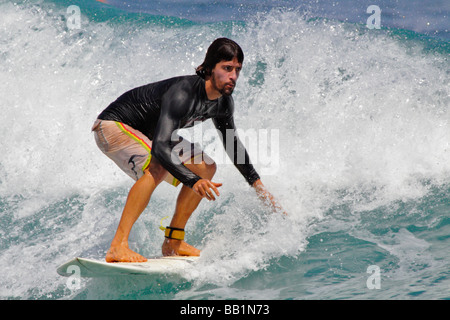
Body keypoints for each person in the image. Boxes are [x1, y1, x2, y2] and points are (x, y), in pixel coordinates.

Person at [92, 38, 283, 262]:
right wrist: (192, 181)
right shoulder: (183, 93)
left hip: (150, 134)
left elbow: (232, 144)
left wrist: (257, 185)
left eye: (237, 70)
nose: (233, 76)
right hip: (113, 126)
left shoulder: (222, 103)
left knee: (206, 167)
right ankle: (118, 245)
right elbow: (162, 148)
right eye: (227, 68)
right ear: (211, 68)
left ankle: (173, 242)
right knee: (160, 165)